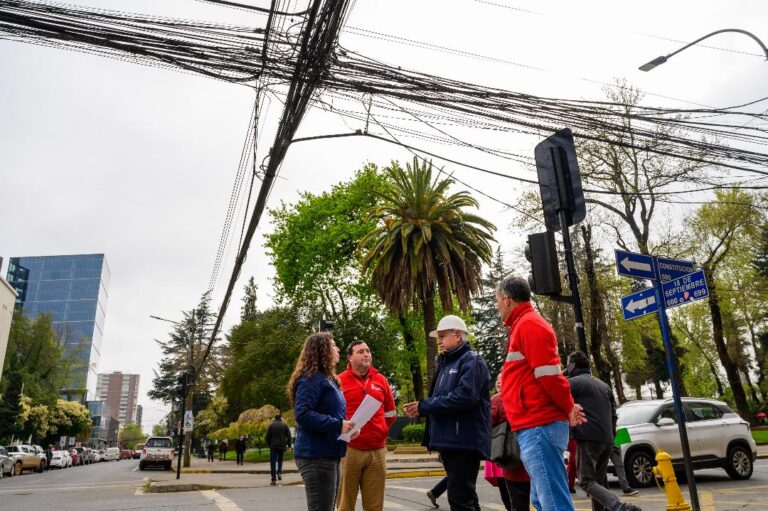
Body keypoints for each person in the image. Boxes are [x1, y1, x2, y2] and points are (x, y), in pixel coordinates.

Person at [495, 275, 586, 511]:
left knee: (553, 502)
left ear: (506, 300)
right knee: (542, 499)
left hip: (538, 425)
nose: (496, 306)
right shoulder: (524, 325)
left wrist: (568, 407)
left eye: (497, 300)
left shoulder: (529, 325)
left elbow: (550, 376)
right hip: (535, 425)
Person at [404, 314, 491, 511]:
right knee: (465, 498)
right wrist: (422, 406)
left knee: (460, 500)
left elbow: (464, 397)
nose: (439, 341)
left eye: (443, 336)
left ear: (458, 336)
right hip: (452, 441)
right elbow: (443, 398)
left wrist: (424, 406)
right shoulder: (446, 363)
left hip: (463, 442)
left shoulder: (471, 360)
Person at [287, 332, 356, 511]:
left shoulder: (327, 379)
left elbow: (330, 414)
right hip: (315, 455)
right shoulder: (310, 378)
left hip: (329, 453)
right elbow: (302, 414)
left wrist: (345, 428)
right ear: (322, 350)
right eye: (333, 345)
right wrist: (338, 424)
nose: (338, 348)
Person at [567, 351, 641, 511]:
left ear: (572, 366)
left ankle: (619, 507)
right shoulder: (604, 385)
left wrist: (560, 375)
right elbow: (614, 414)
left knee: (586, 481)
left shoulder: (573, 383)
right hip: (607, 440)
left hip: (587, 438)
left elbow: (555, 392)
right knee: (598, 483)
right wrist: (612, 435)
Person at [337, 340, 397, 511]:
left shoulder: (381, 380)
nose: (366, 354)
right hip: (349, 450)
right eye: (360, 351)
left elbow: (391, 414)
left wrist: (380, 430)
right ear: (350, 357)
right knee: (344, 505)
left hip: (377, 451)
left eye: (368, 351)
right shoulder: (339, 381)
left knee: (375, 506)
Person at [490, 373, 531, 511]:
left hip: (512, 459)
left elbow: (487, 424)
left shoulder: (498, 400)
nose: (499, 382)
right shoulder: (532, 396)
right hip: (536, 458)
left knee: (517, 503)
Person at [266, 413, 292, 485]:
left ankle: (273, 479)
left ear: (275, 418)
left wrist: (269, 445)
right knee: (280, 460)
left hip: (273, 446)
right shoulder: (284, 425)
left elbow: (267, 436)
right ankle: (279, 472)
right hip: (282, 446)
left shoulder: (271, 425)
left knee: (273, 462)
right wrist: (289, 445)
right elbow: (289, 436)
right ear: (281, 418)